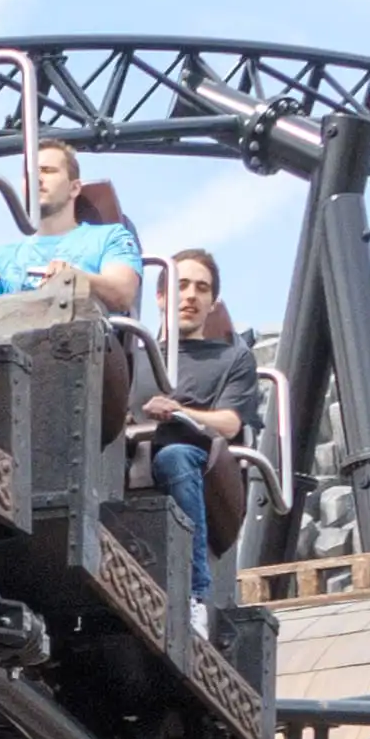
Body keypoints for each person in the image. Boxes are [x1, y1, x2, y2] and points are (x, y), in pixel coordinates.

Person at [134, 246, 259, 611]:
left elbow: (230, 423)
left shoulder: (232, 358)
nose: (190, 295)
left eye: (201, 288)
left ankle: (195, 595)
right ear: (161, 296)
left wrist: (178, 412)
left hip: (195, 459)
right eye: (182, 285)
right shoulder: (135, 356)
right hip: (134, 453)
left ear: (212, 302)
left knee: (175, 457)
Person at [0, 141, 145, 332]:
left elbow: (122, 293)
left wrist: (74, 279)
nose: (37, 179)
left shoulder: (110, 237)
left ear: (74, 188)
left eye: (48, 171)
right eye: (29, 174)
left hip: (82, 342)